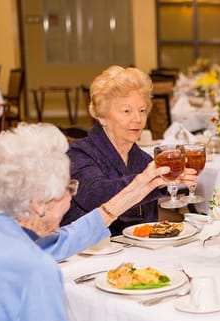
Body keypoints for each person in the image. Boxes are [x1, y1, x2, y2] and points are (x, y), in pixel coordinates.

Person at [0, 123, 170, 321]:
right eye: (68, 189)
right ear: (40, 203)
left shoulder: (12, 236)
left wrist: (137, 188)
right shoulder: (35, 269)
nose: (71, 198)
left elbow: (61, 241)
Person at [61, 65, 194, 235]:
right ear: (102, 116)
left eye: (142, 110)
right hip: (89, 254)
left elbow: (147, 225)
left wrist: (169, 180)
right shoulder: (78, 154)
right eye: (126, 111)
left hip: (137, 255)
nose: (137, 119)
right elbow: (97, 195)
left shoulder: (143, 160)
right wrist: (148, 180)